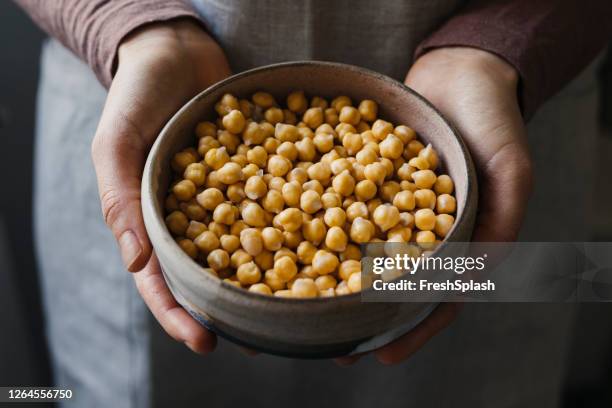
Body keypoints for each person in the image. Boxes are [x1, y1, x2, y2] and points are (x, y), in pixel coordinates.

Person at [14, 0, 612, 406]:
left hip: (490, 118)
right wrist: (122, 19)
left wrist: (507, 39)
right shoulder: (214, 197)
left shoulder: (398, 186)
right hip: (141, 106)